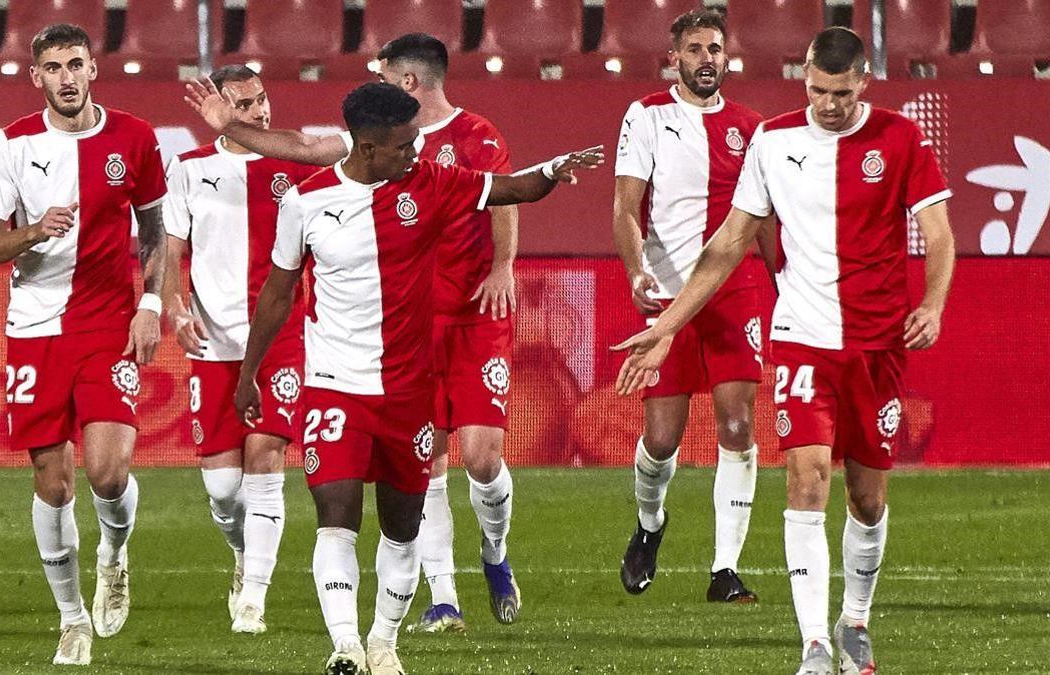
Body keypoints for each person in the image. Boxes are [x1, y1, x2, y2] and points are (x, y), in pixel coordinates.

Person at [210, 82, 600, 675]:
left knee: (401, 529)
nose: (417, 152)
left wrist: (556, 167)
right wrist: (249, 374)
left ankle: (383, 641)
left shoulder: (432, 184)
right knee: (336, 517)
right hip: (336, 386)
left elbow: (514, 188)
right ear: (367, 147)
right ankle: (344, 646)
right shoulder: (307, 203)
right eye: (404, 145)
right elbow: (278, 294)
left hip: (411, 392)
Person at [613, 28, 954, 675]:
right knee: (805, 480)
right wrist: (665, 326)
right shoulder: (773, 140)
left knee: (866, 498)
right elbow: (728, 243)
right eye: (818, 90)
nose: (828, 103)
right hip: (801, 339)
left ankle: (854, 619)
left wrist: (932, 303)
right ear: (803, 79)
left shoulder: (901, 138)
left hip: (877, 344)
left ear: (864, 81)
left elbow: (938, 234)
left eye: (841, 92)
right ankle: (814, 645)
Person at [186, 33, 523, 631]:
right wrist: (228, 128)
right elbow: (299, 145)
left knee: (482, 458)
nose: (373, 84)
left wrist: (502, 265)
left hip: (471, 314)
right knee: (432, 462)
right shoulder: (368, 142)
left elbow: (505, 197)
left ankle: (494, 553)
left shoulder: (472, 138)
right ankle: (441, 596)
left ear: (409, 84)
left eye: (383, 73)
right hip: (405, 329)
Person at [0, 23, 168, 666]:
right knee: (53, 484)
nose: (67, 77)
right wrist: (30, 233)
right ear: (38, 77)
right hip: (35, 328)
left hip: (108, 323)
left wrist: (152, 303)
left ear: (93, 68)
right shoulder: (12, 145)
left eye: (75, 64)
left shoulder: (134, 138)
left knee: (109, 474)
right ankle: (72, 618)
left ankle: (114, 552)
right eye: (53, 67)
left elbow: (157, 233)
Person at [611, 9, 769, 604]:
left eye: (716, 48)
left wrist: (784, 275)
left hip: (735, 290)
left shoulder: (752, 127)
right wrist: (634, 270)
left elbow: (763, 220)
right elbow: (627, 206)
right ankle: (650, 526)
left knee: (737, 423)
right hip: (667, 292)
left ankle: (725, 570)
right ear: (674, 57)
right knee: (662, 438)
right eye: (696, 49)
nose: (708, 58)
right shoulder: (647, 114)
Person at [161, 65, 318, 634]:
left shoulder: (297, 163)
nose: (261, 111)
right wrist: (172, 309)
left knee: (266, 460)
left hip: (281, 336)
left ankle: (254, 596)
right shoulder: (187, 169)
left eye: (264, 98)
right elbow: (168, 252)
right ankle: (242, 553)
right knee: (224, 491)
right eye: (247, 104)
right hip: (212, 342)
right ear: (220, 109)